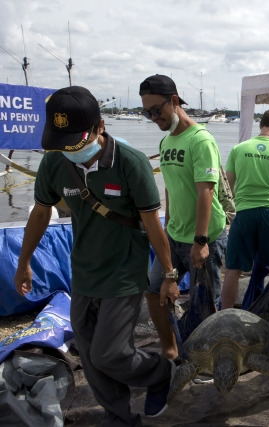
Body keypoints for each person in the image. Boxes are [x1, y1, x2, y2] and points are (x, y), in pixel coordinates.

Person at [14, 86, 179, 424]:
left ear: (100, 127)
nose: (70, 151)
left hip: (123, 273)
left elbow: (152, 223)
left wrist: (169, 275)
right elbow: (41, 213)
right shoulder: (54, 163)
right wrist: (24, 261)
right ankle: (119, 417)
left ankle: (161, 371)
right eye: (63, 144)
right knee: (89, 357)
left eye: (76, 143)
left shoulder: (130, 164)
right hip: (84, 272)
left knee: (110, 354)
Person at [140, 75, 227, 359]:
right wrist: (166, 227)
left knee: (205, 302)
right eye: (146, 112)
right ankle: (171, 347)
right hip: (174, 235)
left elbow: (206, 192)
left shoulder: (201, 140)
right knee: (154, 291)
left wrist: (200, 241)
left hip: (205, 238)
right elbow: (170, 188)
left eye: (156, 110)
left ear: (174, 101)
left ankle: (209, 358)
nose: (153, 117)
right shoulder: (166, 143)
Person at [220, 108, 269, 309]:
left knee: (233, 269)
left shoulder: (238, 149)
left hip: (244, 213)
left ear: (261, 125)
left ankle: (225, 315)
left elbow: (227, 187)